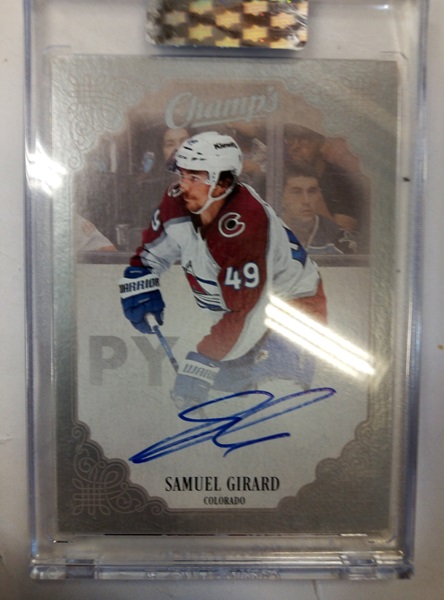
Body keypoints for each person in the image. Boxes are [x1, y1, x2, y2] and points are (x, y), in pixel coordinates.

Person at [119, 132, 327, 408]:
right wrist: (141, 279)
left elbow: (247, 312)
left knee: (276, 403)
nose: (183, 185)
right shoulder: (180, 198)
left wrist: (204, 360)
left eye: (194, 177)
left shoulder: (245, 225)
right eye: (182, 174)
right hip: (239, 316)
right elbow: (152, 255)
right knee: (224, 401)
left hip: (292, 313)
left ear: (222, 183)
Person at [284, 124, 364, 235]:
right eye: (290, 140)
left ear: (323, 145)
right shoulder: (281, 176)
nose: (294, 147)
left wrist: (315, 202)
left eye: (304, 140)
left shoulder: (343, 182)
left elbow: (343, 237)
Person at [282, 166, 357, 255]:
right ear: (281, 197)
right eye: (297, 192)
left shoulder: (339, 238)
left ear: (319, 195)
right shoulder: (269, 233)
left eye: (312, 191)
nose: (306, 201)